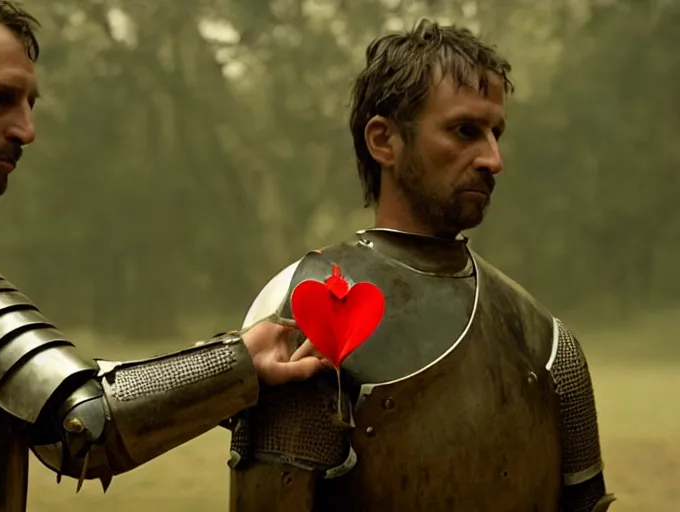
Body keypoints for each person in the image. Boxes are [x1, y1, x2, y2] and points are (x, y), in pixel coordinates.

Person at [0, 1, 329, 510]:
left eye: (29, 104)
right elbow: (84, 425)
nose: (26, 130)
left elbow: (46, 400)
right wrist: (236, 364)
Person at [225, 19, 616, 512]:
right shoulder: (310, 303)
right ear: (384, 141)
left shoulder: (545, 340)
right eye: (464, 131)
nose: (493, 160)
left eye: (496, 134)